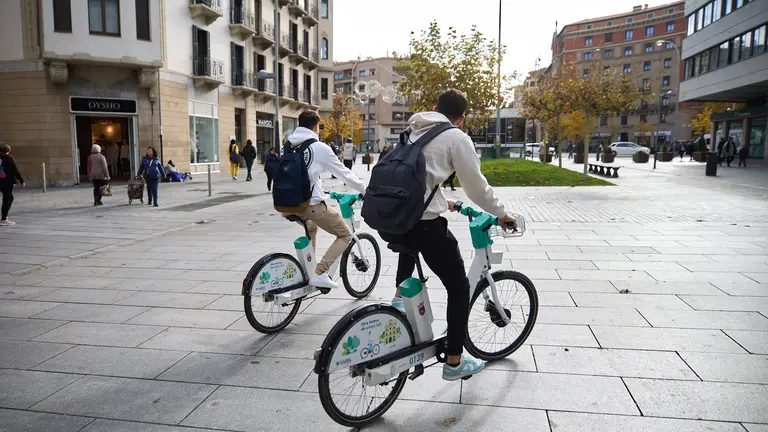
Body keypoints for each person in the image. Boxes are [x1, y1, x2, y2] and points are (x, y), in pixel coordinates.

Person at [379, 89, 518, 381]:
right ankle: (454, 361)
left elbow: (420, 176)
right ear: (462, 118)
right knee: (458, 287)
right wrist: (502, 213)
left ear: (434, 107)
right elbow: (476, 188)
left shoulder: (413, 129)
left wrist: (445, 202)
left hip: (391, 217)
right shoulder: (456, 138)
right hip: (424, 226)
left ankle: (398, 303)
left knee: (411, 248)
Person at [281, 110, 367, 289]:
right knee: (345, 234)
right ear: (315, 127)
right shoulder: (319, 147)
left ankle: (307, 272)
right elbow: (344, 174)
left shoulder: (288, 145)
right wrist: (365, 190)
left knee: (311, 228)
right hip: (308, 205)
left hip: (285, 203)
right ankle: (320, 272)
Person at [0, 142, 24, 226]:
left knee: (10, 198)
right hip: (7, 181)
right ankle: (3, 219)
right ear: (8, 150)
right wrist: (21, 181)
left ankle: (4, 217)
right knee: (7, 199)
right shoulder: (9, 158)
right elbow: (15, 170)